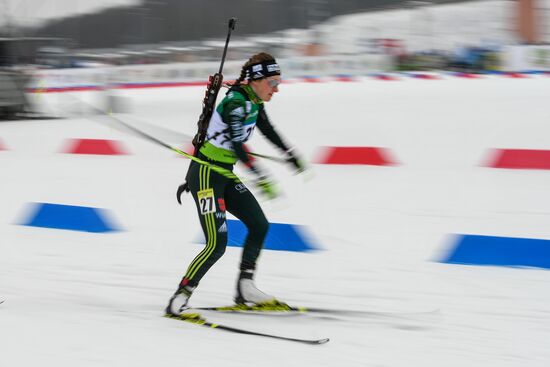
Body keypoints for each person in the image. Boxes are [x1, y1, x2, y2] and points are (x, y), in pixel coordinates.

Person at [166, 52, 305, 316]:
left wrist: (290, 154)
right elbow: (238, 145)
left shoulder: (254, 101)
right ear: (256, 80)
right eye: (273, 83)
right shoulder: (235, 104)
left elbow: (267, 129)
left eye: (279, 83)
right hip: (206, 175)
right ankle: (180, 296)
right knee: (216, 243)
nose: (276, 89)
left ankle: (245, 286)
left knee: (259, 224)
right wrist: (260, 175)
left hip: (224, 174)